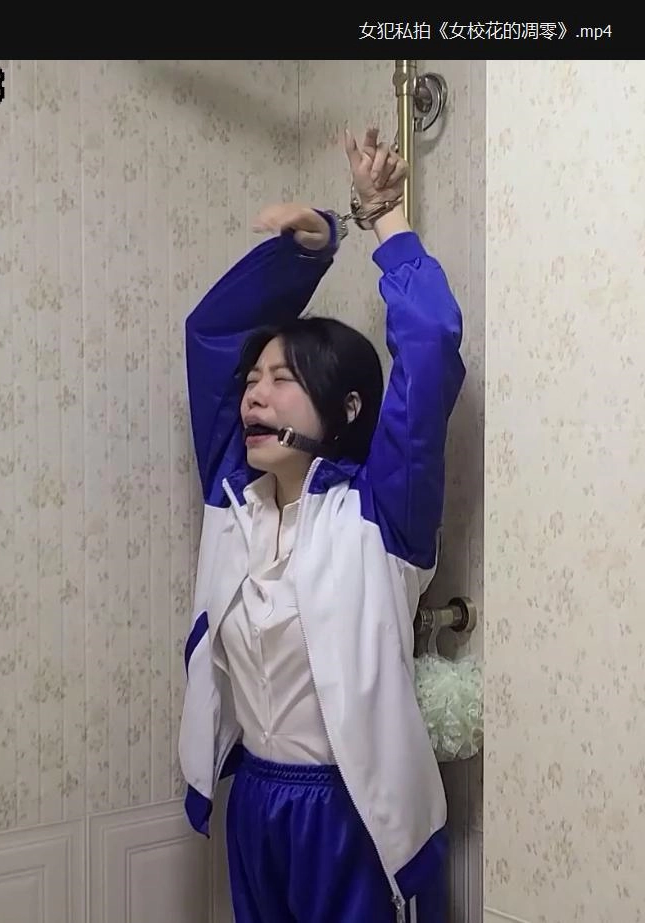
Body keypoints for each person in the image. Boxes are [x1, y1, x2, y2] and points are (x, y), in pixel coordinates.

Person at [178, 126, 466, 923]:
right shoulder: (232, 495)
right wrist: (307, 251)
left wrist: (384, 217)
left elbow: (431, 344)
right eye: (254, 379)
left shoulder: (382, 510)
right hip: (258, 802)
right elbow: (209, 337)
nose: (254, 393)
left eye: (283, 378)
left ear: (345, 407)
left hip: (358, 818)